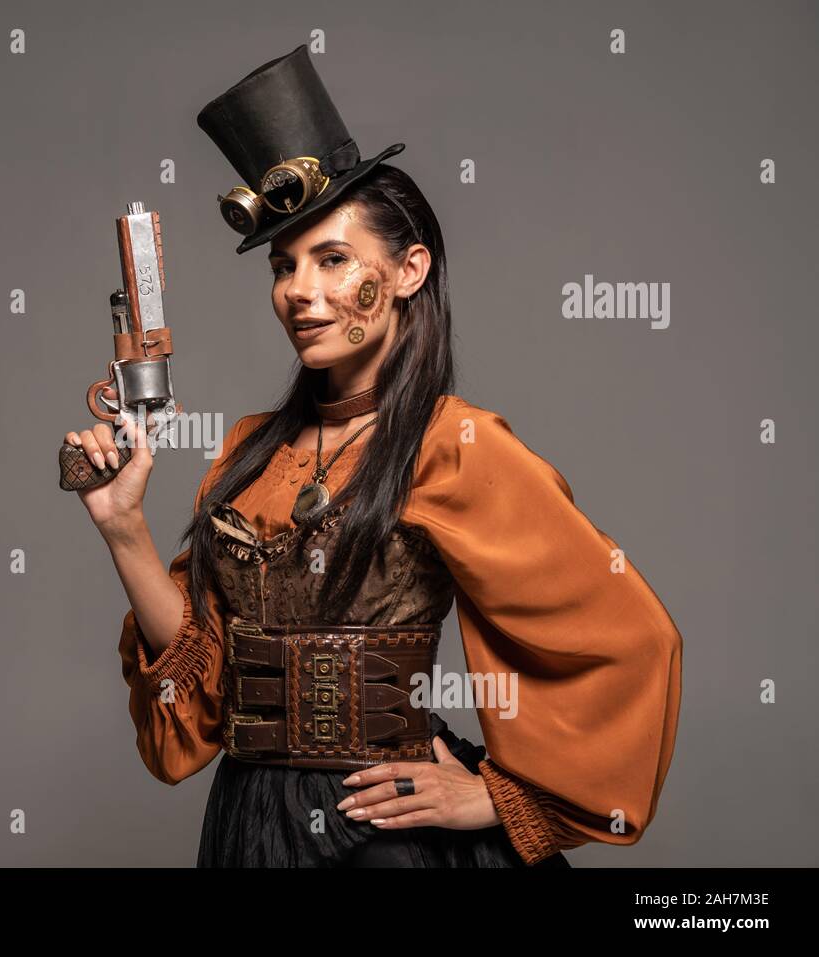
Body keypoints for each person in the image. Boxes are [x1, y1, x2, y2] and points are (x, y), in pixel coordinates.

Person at [63, 44, 682, 867]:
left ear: (407, 270)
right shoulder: (248, 451)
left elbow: (632, 638)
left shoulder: (452, 446)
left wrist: (500, 795)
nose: (300, 292)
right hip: (249, 826)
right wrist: (123, 527)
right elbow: (199, 697)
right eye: (286, 265)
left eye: (333, 259)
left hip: (386, 836)